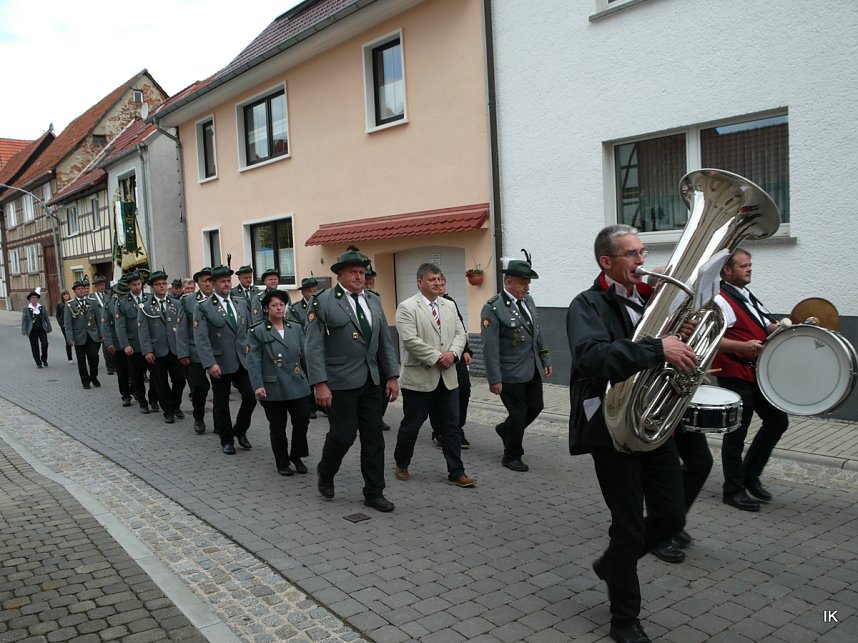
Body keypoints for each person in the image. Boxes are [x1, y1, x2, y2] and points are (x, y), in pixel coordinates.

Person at [567, 224, 698, 643]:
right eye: (632, 255)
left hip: (654, 425)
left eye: (643, 253)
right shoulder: (586, 303)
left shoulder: (650, 301)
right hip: (611, 428)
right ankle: (624, 619)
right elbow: (590, 357)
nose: (643, 262)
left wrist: (678, 341)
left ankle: (613, 564)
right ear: (607, 262)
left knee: (671, 518)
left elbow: (658, 353)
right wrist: (658, 348)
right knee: (628, 529)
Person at [304, 245, 399, 512]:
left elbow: (385, 342)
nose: (359, 277)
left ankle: (374, 492)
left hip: (371, 381)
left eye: (362, 272)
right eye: (353, 272)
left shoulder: (373, 300)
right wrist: (319, 384)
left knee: (374, 438)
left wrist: (392, 376)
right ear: (340, 275)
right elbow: (313, 347)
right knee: (343, 435)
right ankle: (326, 470)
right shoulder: (323, 301)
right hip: (339, 382)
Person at [712, 248, 789, 511]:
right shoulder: (720, 300)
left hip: (755, 373)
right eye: (744, 266)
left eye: (750, 265)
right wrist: (743, 347)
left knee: (777, 421)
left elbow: (762, 323)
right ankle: (733, 490)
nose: (749, 269)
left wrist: (779, 328)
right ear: (727, 271)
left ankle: (749, 475)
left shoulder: (745, 294)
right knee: (736, 433)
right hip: (735, 374)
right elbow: (712, 339)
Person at [393, 263, 476, 487]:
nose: (438, 283)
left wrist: (454, 354)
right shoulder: (407, 307)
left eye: (440, 279)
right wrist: (439, 357)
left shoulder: (449, 305)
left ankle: (457, 472)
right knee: (411, 426)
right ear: (420, 282)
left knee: (451, 427)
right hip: (420, 379)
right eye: (432, 279)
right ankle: (401, 463)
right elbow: (410, 341)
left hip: (448, 379)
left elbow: (461, 333)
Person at [480, 253, 552, 471]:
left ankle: (505, 429)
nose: (527, 287)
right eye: (523, 282)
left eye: (528, 282)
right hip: (509, 372)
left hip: (530, 368)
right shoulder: (493, 308)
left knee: (536, 406)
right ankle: (512, 455)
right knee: (519, 414)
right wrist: (494, 379)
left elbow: (537, 332)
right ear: (509, 282)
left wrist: (545, 358)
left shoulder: (528, 301)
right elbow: (490, 347)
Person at [248, 290, 312, 476]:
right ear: (266, 308)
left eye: (281, 305)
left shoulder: (296, 328)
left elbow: (305, 356)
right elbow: (254, 361)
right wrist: (258, 385)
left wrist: (315, 381)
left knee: (303, 419)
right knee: (278, 428)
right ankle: (282, 462)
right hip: (273, 386)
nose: (279, 308)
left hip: (297, 383)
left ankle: (296, 455)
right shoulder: (258, 331)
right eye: (274, 305)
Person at [194, 265, 257, 455]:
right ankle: (227, 439)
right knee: (221, 404)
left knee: (251, 397)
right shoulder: (203, 307)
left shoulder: (241, 303)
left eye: (229, 281)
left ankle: (240, 430)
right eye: (222, 281)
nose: (227, 284)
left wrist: (251, 351)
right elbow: (201, 338)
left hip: (242, 360)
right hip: (220, 362)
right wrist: (210, 363)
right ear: (213, 284)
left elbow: (249, 331)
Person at [430, 274, 472, 449]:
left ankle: (457, 427)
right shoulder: (422, 305)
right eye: (436, 283)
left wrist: (466, 350)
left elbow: (460, 328)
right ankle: (439, 432)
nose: (440, 287)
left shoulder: (450, 303)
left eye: (442, 284)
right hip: (435, 357)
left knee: (464, 389)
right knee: (437, 393)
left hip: (455, 354)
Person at [138, 271, 187, 424]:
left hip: (175, 349)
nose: (161, 287)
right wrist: (147, 350)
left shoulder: (176, 304)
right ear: (152, 287)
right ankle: (168, 411)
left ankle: (176, 404)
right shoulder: (145, 306)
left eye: (164, 284)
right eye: (158, 284)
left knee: (180, 380)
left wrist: (184, 348)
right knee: (161, 383)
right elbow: (143, 330)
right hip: (157, 350)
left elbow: (182, 327)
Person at [115, 271, 159, 414]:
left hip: (151, 344)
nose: (137, 287)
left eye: (139, 284)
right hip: (134, 345)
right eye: (134, 285)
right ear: (129, 286)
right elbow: (120, 326)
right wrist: (126, 345)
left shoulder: (150, 298)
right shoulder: (122, 302)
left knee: (155, 373)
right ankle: (142, 401)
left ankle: (153, 398)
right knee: (137, 375)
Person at [177, 267, 213, 434]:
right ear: (198, 283)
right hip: (195, 351)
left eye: (210, 280)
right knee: (200, 386)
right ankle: (198, 416)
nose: (208, 284)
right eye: (204, 281)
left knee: (220, 391)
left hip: (217, 351)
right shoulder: (188, 301)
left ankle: (220, 422)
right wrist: (183, 352)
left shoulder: (221, 300)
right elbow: (181, 328)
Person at [64, 278, 104, 389]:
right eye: (78, 289)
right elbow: (68, 323)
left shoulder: (92, 302)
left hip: (92, 334)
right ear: (74, 291)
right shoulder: (70, 305)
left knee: (94, 357)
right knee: (81, 360)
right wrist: (70, 337)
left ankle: (94, 376)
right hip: (79, 336)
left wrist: (101, 334)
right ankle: (85, 381)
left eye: (82, 288)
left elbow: (98, 319)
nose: (81, 290)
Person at [291, 276, 320, 419]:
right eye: (309, 291)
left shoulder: (321, 305)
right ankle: (310, 407)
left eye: (315, 291)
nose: (313, 294)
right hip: (305, 346)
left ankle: (323, 405)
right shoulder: (296, 308)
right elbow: (295, 329)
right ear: (303, 292)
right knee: (308, 377)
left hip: (320, 346)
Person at [102, 279, 134, 407]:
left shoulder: (132, 302)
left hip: (132, 341)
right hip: (117, 343)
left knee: (135, 370)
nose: (122, 295)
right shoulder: (109, 305)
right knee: (122, 371)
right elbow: (105, 325)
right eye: (120, 293)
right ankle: (125, 395)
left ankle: (135, 390)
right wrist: (109, 342)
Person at [89, 275, 115, 375]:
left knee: (114, 344)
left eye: (103, 285)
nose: (102, 287)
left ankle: (115, 364)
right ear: (96, 286)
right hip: (100, 323)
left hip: (110, 322)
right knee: (106, 345)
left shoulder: (109, 294)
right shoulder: (92, 297)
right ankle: (109, 367)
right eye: (100, 285)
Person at [22, 290, 51, 368]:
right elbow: (24, 320)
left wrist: (49, 327)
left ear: (38, 299)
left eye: (35, 297)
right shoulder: (26, 308)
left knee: (45, 344)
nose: (34, 299)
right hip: (32, 330)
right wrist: (24, 330)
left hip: (41, 328)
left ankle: (44, 359)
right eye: (32, 298)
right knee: (35, 346)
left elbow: (46, 318)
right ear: (30, 299)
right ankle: (38, 362)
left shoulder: (42, 307)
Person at [55, 290, 74, 363]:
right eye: (64, 295)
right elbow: (57, 315)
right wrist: (61, 324)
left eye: (67, 294)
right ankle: (70, 358)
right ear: (62, 296)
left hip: (73, 325)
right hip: (64, 326)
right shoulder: (60, 305)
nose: (66, 296)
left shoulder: (72, 303)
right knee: (68, 340)